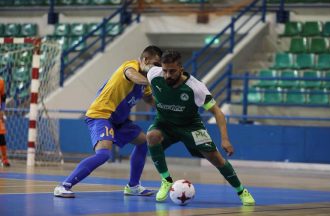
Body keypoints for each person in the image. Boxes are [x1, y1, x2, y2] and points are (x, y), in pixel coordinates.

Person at [146, 50, 255, 205]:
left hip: (191, 126)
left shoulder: (196, 88)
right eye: (165, 70)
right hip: (165, 123)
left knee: (216, 158)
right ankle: (166, 180)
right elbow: (143, 68)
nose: (167, 75)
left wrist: (225, 139)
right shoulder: (154, 75)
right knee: (151, 136)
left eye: (172, 71)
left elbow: (217, 112)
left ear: (181, 69)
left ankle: (241, 191)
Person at [54, 45, 163, 198]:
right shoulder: (131, 66)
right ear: (145, 60)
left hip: (120, 121)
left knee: (144, 142)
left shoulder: (144, 85)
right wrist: (152, 82)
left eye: (159, 67)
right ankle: (63, 186)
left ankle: (133, 186)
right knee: (104, 154)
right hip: (101, 115)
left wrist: (166, 108)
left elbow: (150, 99)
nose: (156, 69)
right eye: (155, 64)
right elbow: (131, 75)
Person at [0, 78, 10, 167]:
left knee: (1, 136)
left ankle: (4, 159)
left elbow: (3, 97)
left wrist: (2, 110)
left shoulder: (1, 81)